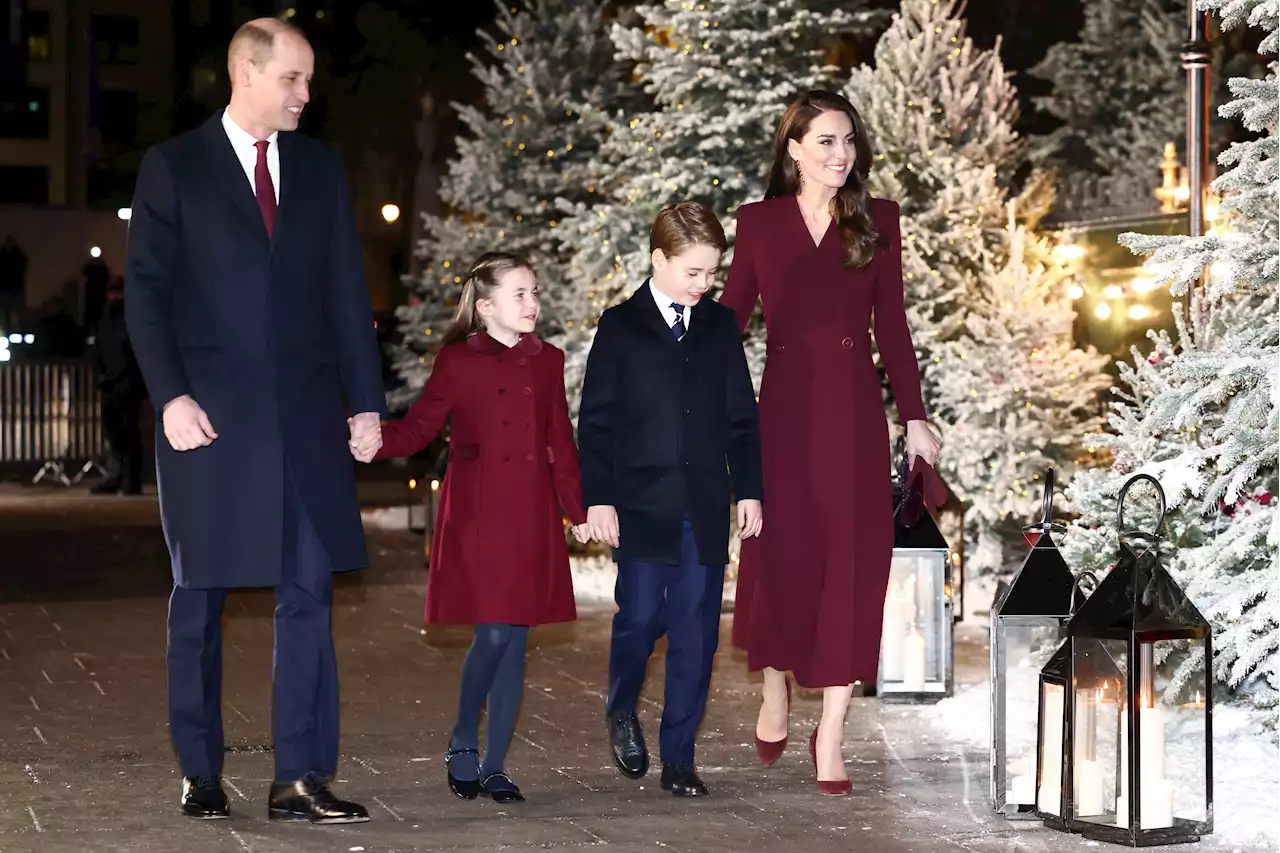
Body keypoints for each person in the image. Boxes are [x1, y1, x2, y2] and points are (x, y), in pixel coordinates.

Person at [124, 19, 384, 823]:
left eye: (308, 80)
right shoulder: (174, 168)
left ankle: (299, 776)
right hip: (208, 422)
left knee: (308, 593)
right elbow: (146, 295)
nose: (307, 94)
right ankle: (201, 767)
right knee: (198, 599)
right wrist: (170, 396)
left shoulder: (317, 168)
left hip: (305, 422)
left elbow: (345, 290)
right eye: (294, 79)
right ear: (247, 72)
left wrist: (366, 399)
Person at [719, 90, 942, 796]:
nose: (840, 153)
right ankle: (777, 693)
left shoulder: (877, 221)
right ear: (793, 149)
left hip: (850, 416)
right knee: (782, 560)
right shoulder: (758, 224)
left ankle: (834, 733)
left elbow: (894, 328)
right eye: (825, 141)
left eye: (848, 141)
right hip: (781, 413)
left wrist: (914, 415)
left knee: (850, 567)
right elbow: (731, 320)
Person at [372, 252, 590, 804]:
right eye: (520, 294)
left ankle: (495, 766)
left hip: (532, 513)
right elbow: (421, 427)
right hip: (479, 512)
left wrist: (578, 510)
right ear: (486, 305)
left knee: (516, 639)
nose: (532, 303)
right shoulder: (457, 361)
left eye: (535, 292)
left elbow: (560, 440)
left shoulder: (548, 361)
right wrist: (376, 440)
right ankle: (463, 737)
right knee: (494, 631)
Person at [578, 201, 763, 798]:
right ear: (659, 259)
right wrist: (598, 499)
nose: (704, 285)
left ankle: (679, 757)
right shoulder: (621, 326)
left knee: (696, 631)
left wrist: (751, 489)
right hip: (638, 503)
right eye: (693, 273)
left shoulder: (717, 325)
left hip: (704, 505)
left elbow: (742, 419)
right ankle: (620, 706)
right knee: (639, 619)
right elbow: (597, 422)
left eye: (712, 273)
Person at [92, 276, 145, 495]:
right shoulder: (106, 319)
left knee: (127, 432)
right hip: (109, 383)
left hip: (127, 382)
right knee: (112, 432)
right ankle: (116, 476)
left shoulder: (131, 317)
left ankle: (130, 479)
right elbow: (99, 349)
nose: (114, 296)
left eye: (117, 292)